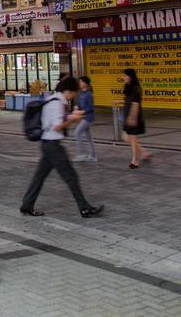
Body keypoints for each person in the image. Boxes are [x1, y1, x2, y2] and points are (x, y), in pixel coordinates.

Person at [20, 77, 104, 219]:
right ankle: (84, 208)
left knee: (39, 177)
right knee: (70, 176)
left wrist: (70, 117)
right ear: (68, 91)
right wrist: (72, 119)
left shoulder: (52, 100)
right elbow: (58, 126)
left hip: (47, 144)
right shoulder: (57, 103)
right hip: (53, 145)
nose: (74, 96)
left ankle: (27, 205)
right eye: (73, 93)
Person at [121, 68, 151, 169]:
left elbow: (136, 103)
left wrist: (132, 117)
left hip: (134, 116)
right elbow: (128, 100)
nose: (123, 77)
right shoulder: (127, 86)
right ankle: (144, 152)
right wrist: (119, 102)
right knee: (125, 137)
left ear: (131, 77)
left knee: (132, 138)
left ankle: (135, 161)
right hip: (127, 114)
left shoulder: (136, 88)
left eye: (125, 75)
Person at [75, 76, 97, 163]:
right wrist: (77, 107)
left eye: (81, 82)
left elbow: (91, 108)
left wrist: (81, 112)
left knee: (77, 132)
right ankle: (93, 156)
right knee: (88, 137)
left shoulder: (89, 94)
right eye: (79, 82)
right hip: (84, 117)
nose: (80, 84)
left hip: (88, 118)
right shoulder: (82, 93)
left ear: (86, 83)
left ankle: (81, 154)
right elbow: (80, 105)